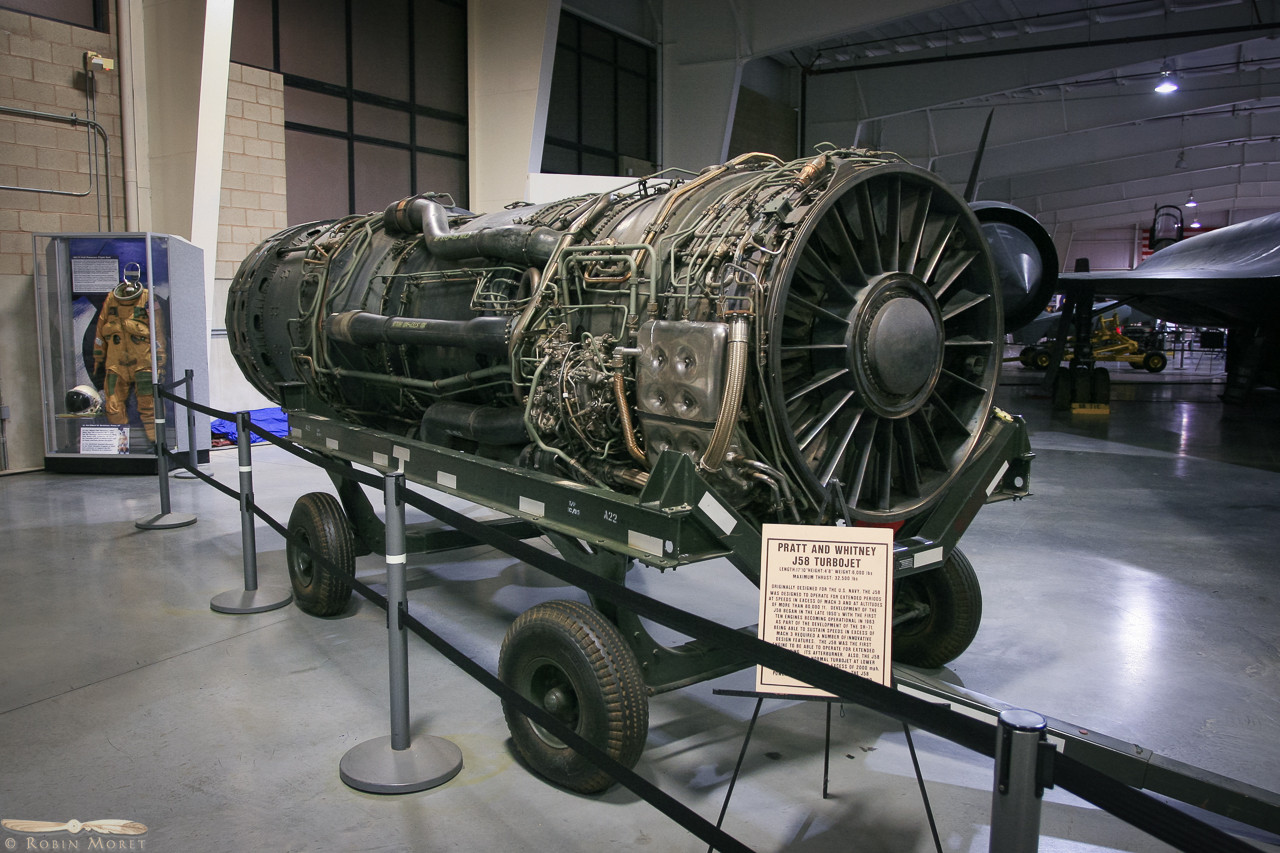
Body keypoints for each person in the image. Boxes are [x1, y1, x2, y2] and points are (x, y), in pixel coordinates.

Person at [92, 263, 165, 445]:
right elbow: (100, 333)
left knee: (149, 406)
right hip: (116, 364)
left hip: (144, 363)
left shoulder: (148, 299)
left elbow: (158, 332)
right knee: (113, 406)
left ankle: (157, 445)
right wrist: (98, 359)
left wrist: (160, 361)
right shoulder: (111, 300)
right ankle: (120, 445)